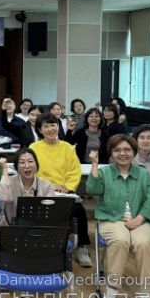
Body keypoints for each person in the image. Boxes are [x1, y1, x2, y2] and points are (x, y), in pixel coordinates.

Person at [86, 135, 150, 298]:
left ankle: (144, 294)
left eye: (127, 150)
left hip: (141, 219)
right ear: (111, 153)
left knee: (144, 244)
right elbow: (92, 190)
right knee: (120, 240)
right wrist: (95, 164)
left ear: (134, 152)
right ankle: (112, 290)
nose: (122, 153)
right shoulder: (105, 172)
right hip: (112, 219)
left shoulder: (143, 174)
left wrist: (139, 218)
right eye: (117, 150)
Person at [31, 114, 92, 267]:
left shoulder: (67, 148)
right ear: (40, 130)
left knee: (79, 211)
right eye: (45, 126)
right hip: (43, 191)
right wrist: (51, 186)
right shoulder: (34, 148)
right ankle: (47, 246)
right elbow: (32, 172)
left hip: (65, 191)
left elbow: (74, 171)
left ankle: (81, 247)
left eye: (53, 125)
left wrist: (68, 188)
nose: (50, 129)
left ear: (58, 126)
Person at [0, 147, 54, 229]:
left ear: (36, 164)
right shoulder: (9, 182)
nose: (27, 166)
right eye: (22, 162)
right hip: (10, 228)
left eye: (30, 161)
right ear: (17, 167)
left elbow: (48, 212)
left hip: (37, 228)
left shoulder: (46, 185)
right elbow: (5, 198)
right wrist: (5, 169)